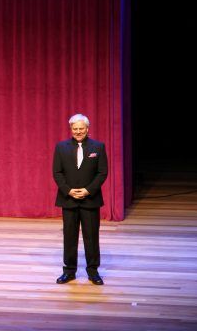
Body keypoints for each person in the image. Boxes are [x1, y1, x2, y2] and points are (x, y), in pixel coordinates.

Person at [53, 114, 108, 285]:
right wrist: (68, 191)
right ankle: (69, 271)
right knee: (69, 237)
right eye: (75, 128)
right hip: (68, 199)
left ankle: (93, 272)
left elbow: (102, 173)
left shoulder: (98, 147)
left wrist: (87, 190)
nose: (78, 131)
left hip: (90, 199)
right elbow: (57, 172)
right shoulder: (61, 147)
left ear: (87, 129)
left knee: (91, 236)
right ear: (71, 129)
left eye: (81, 128)